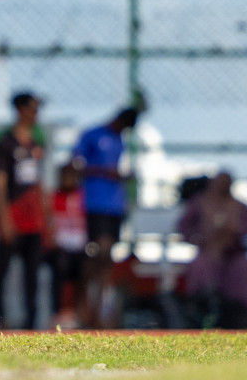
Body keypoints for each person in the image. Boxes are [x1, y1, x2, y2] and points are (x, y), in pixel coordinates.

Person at [0, 92, 49, 330]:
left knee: (32, 275)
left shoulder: (36, 143)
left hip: (33, 220)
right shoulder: (6, 143)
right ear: (20, 110)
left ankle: (31, 325)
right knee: (1, 271)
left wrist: (47, 215)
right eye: (32, 108)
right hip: (13, 216)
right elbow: (0, 183)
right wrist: (5, 218)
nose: (36, 114)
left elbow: (38, 182)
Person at [71, 104, 139, 328]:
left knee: (107, 257)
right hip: (94, 203)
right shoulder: (92, 135)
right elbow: (75, 166)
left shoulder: (120, 140)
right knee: (98, 252)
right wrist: (103, 171)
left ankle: (99, 311)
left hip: (114, 206)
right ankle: (83, 305)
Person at [177, 171, 247, 326]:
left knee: (242, 267)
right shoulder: (200, 202)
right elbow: (184, 227)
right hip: (207, 251)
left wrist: (230, 237)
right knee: (200, 265)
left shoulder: (239, 206)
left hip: (232, 254)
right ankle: (203, 310)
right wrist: (199, 239)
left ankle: (238, 315)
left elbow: (245, 230)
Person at [49, 162, 88, 328]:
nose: (68, 180)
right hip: (60, 248)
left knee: (82, 278)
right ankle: (58, 313)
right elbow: (49, 222)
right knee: (59, 275)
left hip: (80, 248)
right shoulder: (54, 197)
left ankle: (79, 315)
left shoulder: (84, 197)